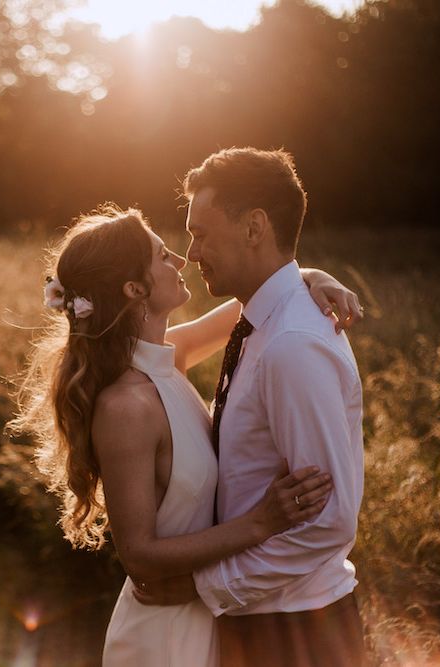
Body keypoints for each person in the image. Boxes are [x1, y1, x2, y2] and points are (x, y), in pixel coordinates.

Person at [9, 204, 362, 666]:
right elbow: (138, 556)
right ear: (135, 289)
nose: (181, 259)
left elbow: (263, 295)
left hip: (210, 616)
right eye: (162, 254)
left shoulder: (170, 357)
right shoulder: (126, 407)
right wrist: (259, 522)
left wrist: (312, 275)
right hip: (166, 633)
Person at [137, 147, 366, 666]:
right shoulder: (258, 320)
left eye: (201, 232)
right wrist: (306, 273)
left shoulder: (292, 344)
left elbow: (329, 520)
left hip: (298, 632)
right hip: (260, 623)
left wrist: (206, 586)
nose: (191, 253)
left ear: (255, 227)